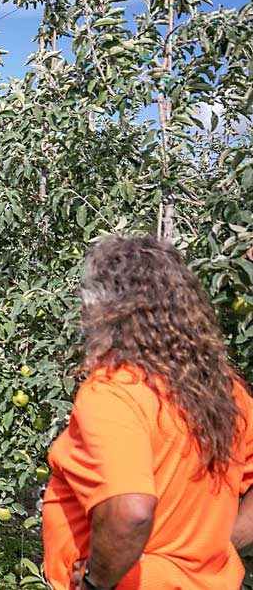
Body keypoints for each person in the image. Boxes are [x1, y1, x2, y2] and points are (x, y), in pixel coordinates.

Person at [42, 235, 253, 590]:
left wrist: (95, 584)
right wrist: (213, 546)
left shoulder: (115, 391)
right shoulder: (222, 389)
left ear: (104, 308)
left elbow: (131, 511)